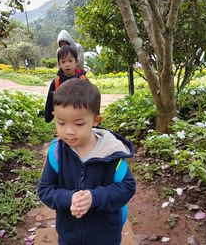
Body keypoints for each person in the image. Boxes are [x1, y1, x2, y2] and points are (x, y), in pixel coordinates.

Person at [38, 78, 136, 245]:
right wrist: (69, 198)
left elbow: (127, 187)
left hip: (105, 236)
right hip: (69, 236)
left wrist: (94, 197)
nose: (68, 131)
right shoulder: (57, 153)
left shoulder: (111, 154)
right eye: (61, 123)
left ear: (96, 121)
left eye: (79, 123)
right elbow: (45, 190)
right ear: (55, 116)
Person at [44, 45, 86, 123]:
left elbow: (91, 100)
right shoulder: (56, 82)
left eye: (70, 61)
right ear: (59, 64)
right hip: (63, 120)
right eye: (63, 62)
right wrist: (48, 116)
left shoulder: (83, 80)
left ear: (76, 62)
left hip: (80, 120)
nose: (67, 64)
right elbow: (50, 101)